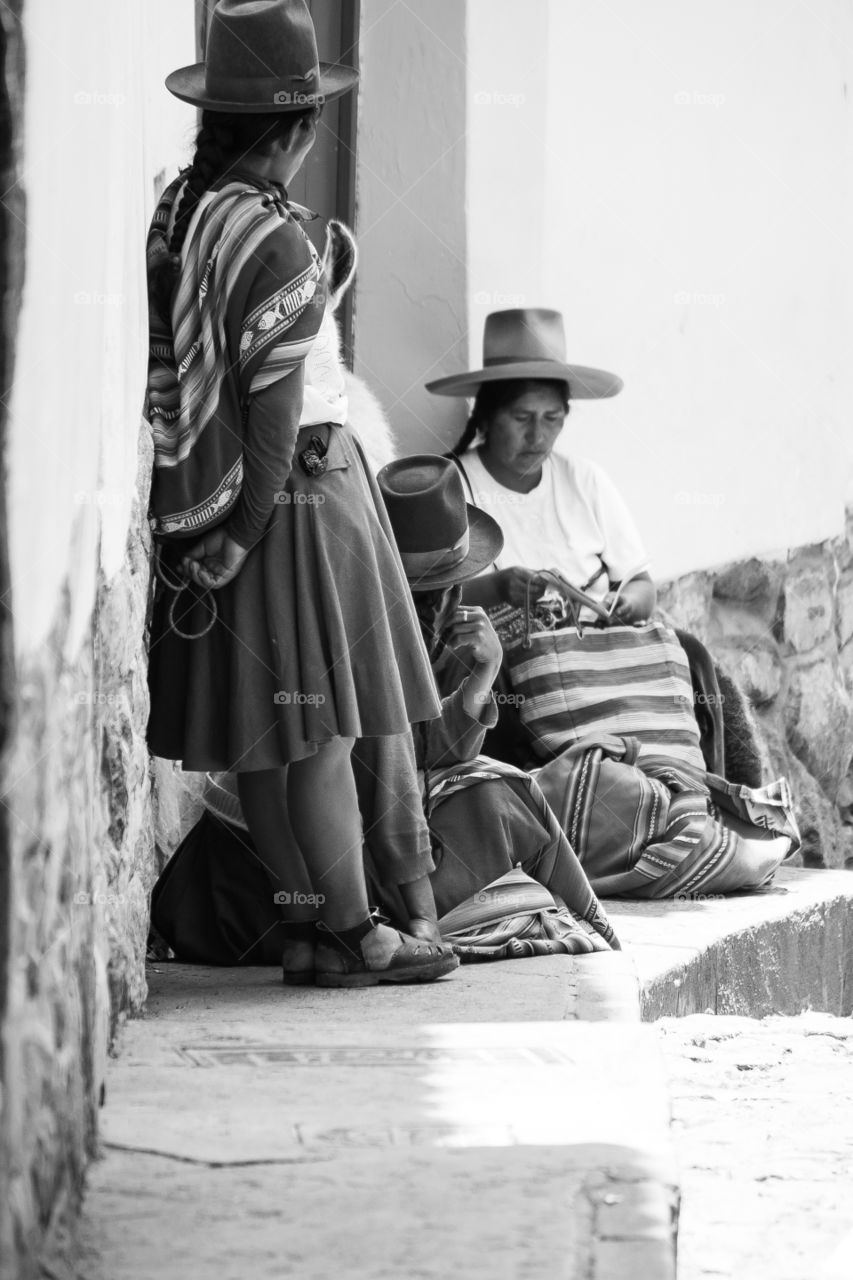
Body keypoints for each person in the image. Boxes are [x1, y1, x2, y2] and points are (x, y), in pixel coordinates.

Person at [145, 0, 456, 986]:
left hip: (235, 501)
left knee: (267, 746)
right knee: (318, 733)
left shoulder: (186, 209)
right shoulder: (279, 245)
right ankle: (359, 930)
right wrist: (241, 536)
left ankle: (308, 930)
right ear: (294, 129)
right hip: (295, 502)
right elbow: (274, 414)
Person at [158, 457, 619, 965]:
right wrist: (423, 920)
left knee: (489, 785)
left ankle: (585, 925)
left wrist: (482, 676)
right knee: (502, 793)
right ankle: (598, 933)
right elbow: (397, 774)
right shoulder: (366, 642)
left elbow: (420, 750)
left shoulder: (322, 598)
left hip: (252, 896)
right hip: (257, 894)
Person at [426, 308, 797, 898]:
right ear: (488, 418)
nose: (538, 436)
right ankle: (589, 811)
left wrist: (629, 603)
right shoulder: (457, 484)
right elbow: (429, 592)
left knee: (693, 655)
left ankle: (708, 799)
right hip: (514, 650)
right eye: (522, 418)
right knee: (502, 683)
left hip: (600, 648)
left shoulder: (585, 481)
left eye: (552, 420)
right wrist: (497, 587)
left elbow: (642, 584)